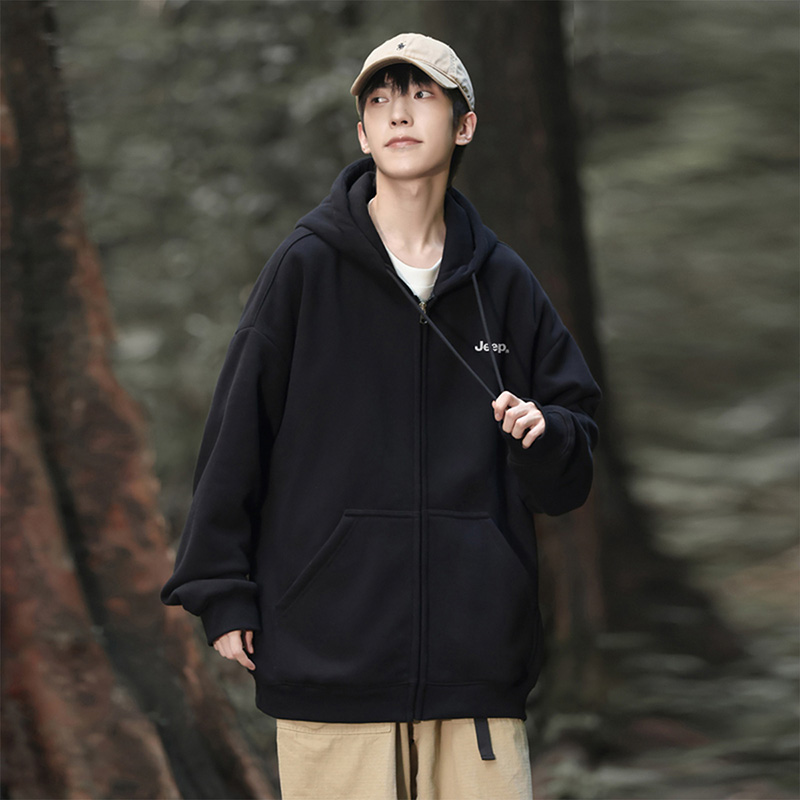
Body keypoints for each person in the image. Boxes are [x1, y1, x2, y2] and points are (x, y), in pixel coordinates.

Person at [161, 32, 601, 800]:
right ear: (363, 133)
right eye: (380, 99)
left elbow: (569, 467)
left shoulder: (503, 282)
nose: (399, 113)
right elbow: (238, 432)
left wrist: (546, 433)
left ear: (464, 125)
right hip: (330, 658)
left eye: (422, 95)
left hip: (475, 669)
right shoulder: (305, 266)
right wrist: (220, 589)